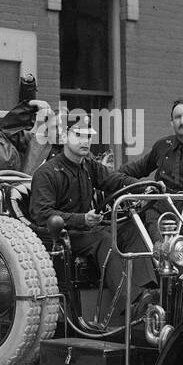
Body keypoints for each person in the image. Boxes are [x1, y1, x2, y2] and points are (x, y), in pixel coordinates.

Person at [29, 123, 147, 323]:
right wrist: (81, 220)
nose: (85, 141)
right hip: (59, 236)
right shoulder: (47, 172)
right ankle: (132, 305)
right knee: (102, 238)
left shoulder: (89, 165)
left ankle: (148, 293)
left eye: (88, 136)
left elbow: (115, 180)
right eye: (78, 135)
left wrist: (140, 186)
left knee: (130, 228)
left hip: (86, 230)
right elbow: (41, 214)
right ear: (65, 137)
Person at [120, 99, 183, 245]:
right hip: (158, 218)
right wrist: (107, 175)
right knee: (159, 259)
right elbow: (134, 170)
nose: (182, 121)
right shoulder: (162, 146)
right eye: (177, 117)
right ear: (171, 122)